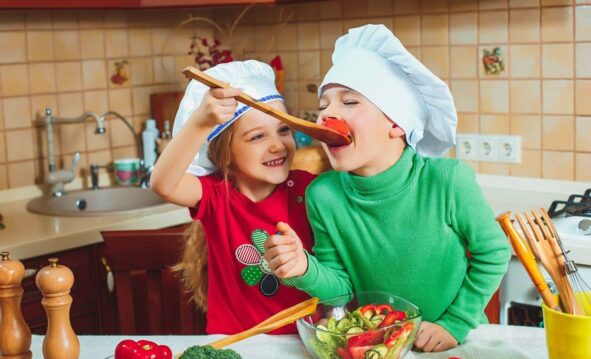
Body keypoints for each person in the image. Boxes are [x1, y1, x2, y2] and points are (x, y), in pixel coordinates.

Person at [264, 24, 511, 352]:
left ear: (397, 122)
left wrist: (455, 323)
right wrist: (304, 269)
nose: (327, 116)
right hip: (381, 346)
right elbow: (341, 293)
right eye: (323, 106)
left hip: (457, 344)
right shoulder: (323, 196)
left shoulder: (448, 181)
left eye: (349, 102)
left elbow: (494, 252)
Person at [150, 60, 316, 335]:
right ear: (224, 155)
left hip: (303, 343)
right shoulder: (217, 195)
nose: (277, 145)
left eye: (283, 129)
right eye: (257, 136)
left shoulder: (310, 190)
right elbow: (163, 184)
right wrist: (200, 124)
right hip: (236, 344)